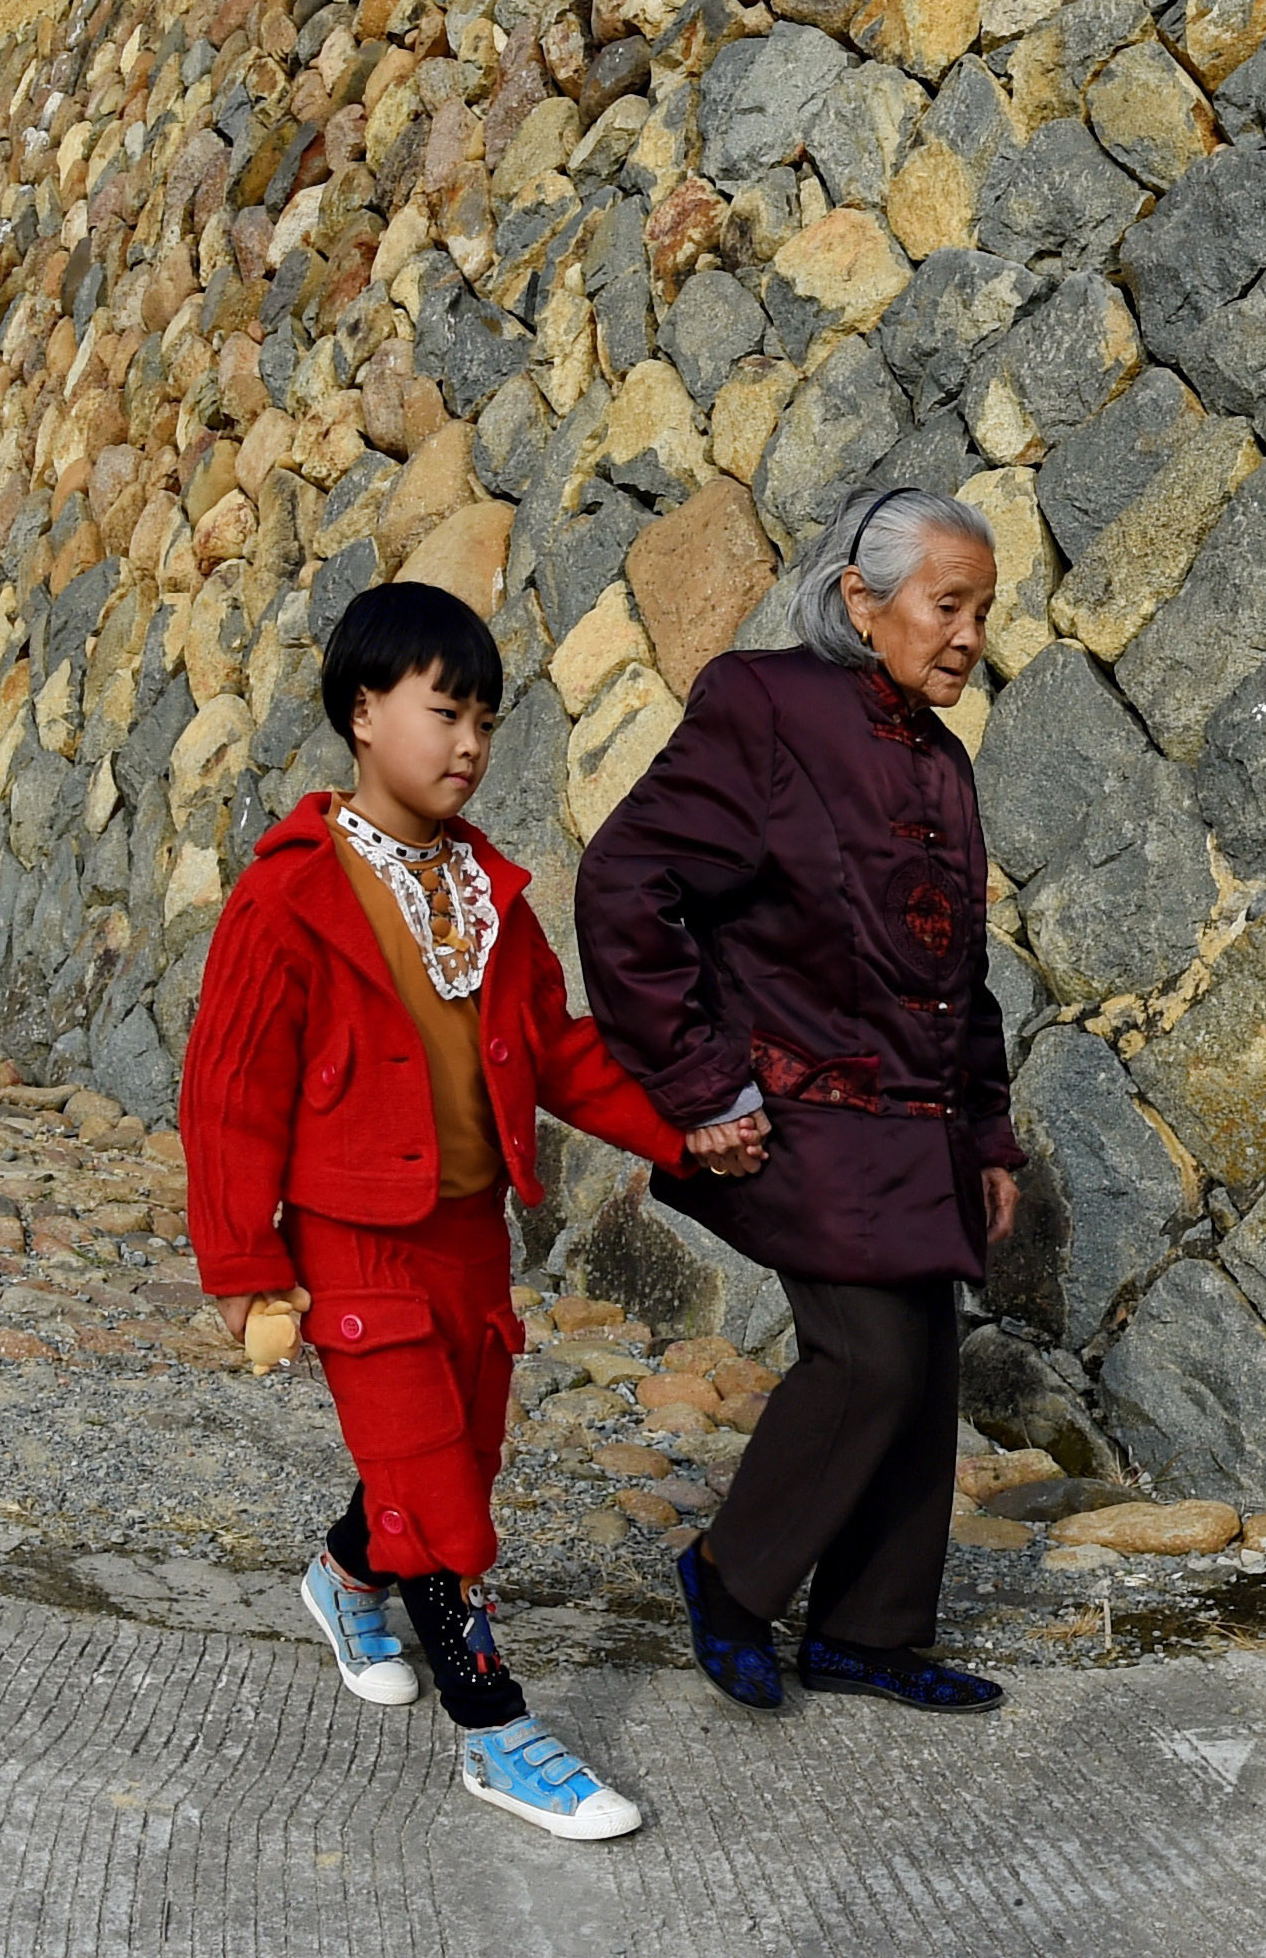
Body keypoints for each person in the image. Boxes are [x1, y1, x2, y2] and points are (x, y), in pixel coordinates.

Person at [177, 579, 709, 1843]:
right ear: (364, 712)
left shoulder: (488, 896)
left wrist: (681, 1132)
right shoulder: (290, 893)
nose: (469, 744)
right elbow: (227, 1094)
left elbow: (563, 1054)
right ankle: (497, 1734)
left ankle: (344, 1574)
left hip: (471, 1236)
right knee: (445, 1502)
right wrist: (248, 1269)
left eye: (486, 719)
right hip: (352, 1239)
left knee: (455, 1462)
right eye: (443, 712)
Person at [577, 482, 1025, 1717]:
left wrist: (987, 1135)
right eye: (948, 605)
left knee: (923, 1364)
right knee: (867, 1355)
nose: (970, 635)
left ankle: (868, 1633)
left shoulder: (939, 762)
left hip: (916, 1122)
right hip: (792, 1113)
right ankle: (729, 1578)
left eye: (983, 610)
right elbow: (628, 883)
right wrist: (699, 1078)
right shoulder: (761, 702)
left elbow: (959, 973)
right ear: (859, 599)